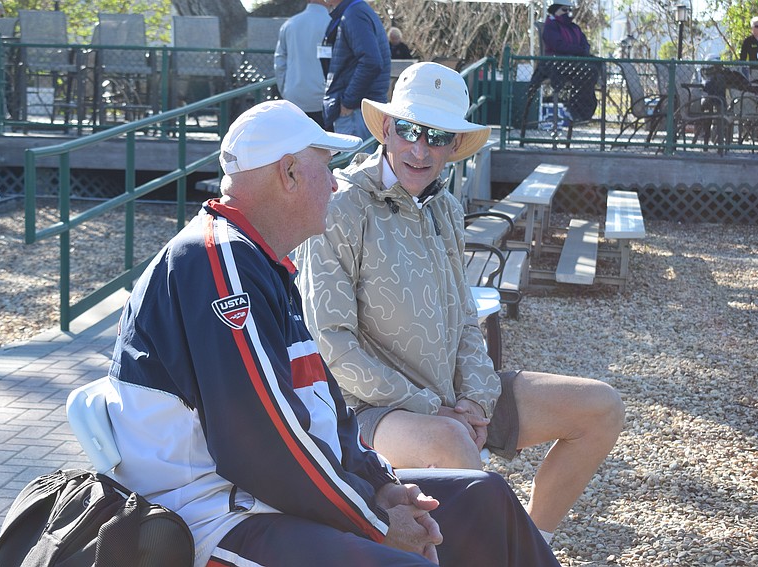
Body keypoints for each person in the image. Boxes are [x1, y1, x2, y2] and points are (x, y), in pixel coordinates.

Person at [103, 99, 560, 567]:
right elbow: (263, 442)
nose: (337, 180)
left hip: (268, 499)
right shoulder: (217, 261)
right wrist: (375, 522)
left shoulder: (259, 260)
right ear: (289, 175)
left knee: (484, 497)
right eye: (327, 165)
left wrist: (384, 486)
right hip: (215, 517)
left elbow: (323, 411)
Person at [296, 62, 625, 546]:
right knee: (450, 445)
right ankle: (508, 552)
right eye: (409, 129)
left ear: (454, 146)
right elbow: (331, 343)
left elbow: (466, 317)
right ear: (387, 127)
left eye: (437, 136)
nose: (420, 148)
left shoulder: (446, 206)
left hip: (450, 400)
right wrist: (435, 409)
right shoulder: (342, 204)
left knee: (600, 406)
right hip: (368, 411)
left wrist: (474, 399)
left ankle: (531, 543)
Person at [320, 0, 391, 138]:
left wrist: (347, 103)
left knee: (358, 160)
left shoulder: (354, 14)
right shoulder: (356, 10)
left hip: (356, 113)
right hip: (359, 111)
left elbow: (371, 62)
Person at [539, 0, 600, 122]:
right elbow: (559, 46)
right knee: (588, 70)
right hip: (558, 64)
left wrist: (583, 50)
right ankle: (575, 107)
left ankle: (584, 107)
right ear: (554, 10)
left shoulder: (574, 27)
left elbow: (584, 44)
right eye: (564, 10)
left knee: (597, 64)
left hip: (576, 62)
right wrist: (578, 50)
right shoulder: (551, 26)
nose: (568, 13)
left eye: (569, 10)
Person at [274, 0, 331, 126]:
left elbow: (279, 63)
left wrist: (285, 90)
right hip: (324, 99)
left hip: (294, 96)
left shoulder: (289, 24)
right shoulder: (334, 24)